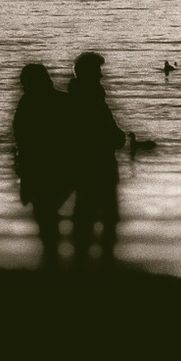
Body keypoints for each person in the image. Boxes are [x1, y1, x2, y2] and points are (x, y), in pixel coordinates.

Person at [66, 51, 125, 265]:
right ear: (88, 73)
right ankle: (99, 261)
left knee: (87, 212)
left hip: (89, 165)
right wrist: (117, 137)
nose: (101, 76)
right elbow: (103, 132)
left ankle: (84, 259)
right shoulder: (90, 100)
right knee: (103, 215)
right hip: (97, 165)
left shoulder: (80, 97)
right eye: (98, 71)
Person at [12, 63, 72, 266]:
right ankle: (53, 256)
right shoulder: (64, 101)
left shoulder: (27, 103)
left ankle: (51, 256)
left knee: (44, 212)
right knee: (49, 211)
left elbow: (21, 136)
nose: (22, 86)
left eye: (24, 82)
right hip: (60, 167)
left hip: (39, 166)